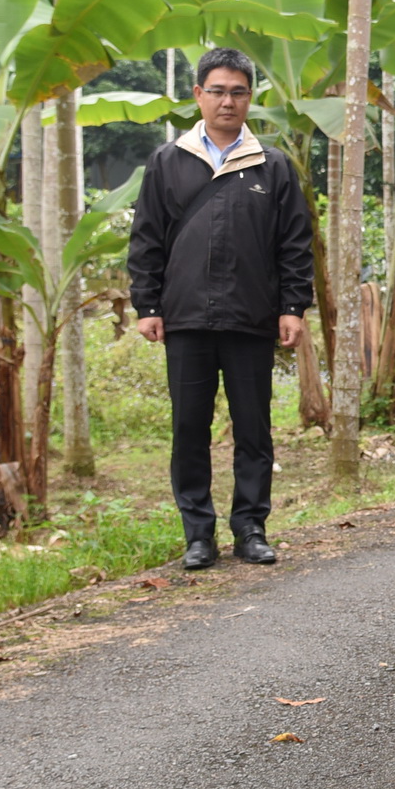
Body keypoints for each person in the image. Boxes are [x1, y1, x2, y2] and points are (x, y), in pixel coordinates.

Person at [127, 46, 315, 572]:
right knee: (189, 427)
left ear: (250, 97)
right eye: (217, 91)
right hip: (185, 319)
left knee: (253, 428)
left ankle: (251, 529)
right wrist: (147, 304)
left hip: (251, 318)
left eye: (237, 91)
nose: (227, 101)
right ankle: (198, 534)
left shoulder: (272, 166)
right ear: (198, 95)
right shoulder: (168, 161)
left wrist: (293, 307)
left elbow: (294, 244)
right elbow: (146, 239)